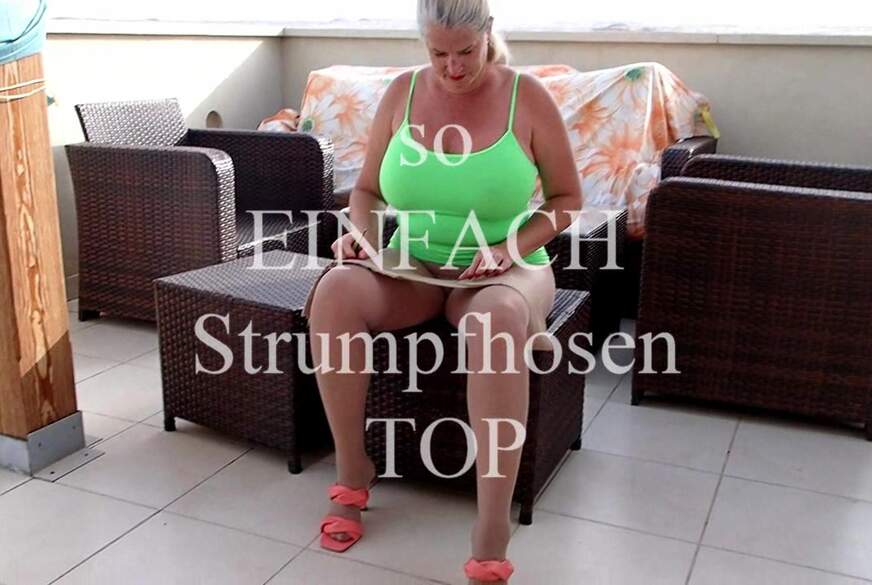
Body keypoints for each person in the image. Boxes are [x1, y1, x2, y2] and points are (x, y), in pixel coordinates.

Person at [305, 1, 582, 582]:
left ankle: (492, 524)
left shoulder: (527, 97)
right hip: (415, 264)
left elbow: (566, 201)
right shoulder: (401, 94)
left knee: (495, 319)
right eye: (438, 53)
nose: (453, 67)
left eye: (466, 52)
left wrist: (507, 248)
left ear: (488, 34)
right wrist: (364, 236)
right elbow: (367, 191)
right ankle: (353, 473)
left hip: (506, 267)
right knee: (334, 292)